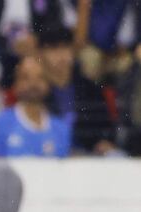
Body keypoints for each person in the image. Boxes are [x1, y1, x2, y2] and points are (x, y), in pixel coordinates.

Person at [39, 27, 118, 155]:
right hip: (47, 154)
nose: (61, 55)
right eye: (54, 48)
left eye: (65, 47)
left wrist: (103, 143)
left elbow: (106, 128)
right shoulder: (37, 91)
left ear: (73, 51)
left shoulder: (91, 89)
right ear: (41, 54)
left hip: (87, 156)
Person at [0, 56, 72, 157]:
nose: (33, 84)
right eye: (25, 78)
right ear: (15, 84)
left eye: (40, 77)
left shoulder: (61, 129)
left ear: (48, 84)